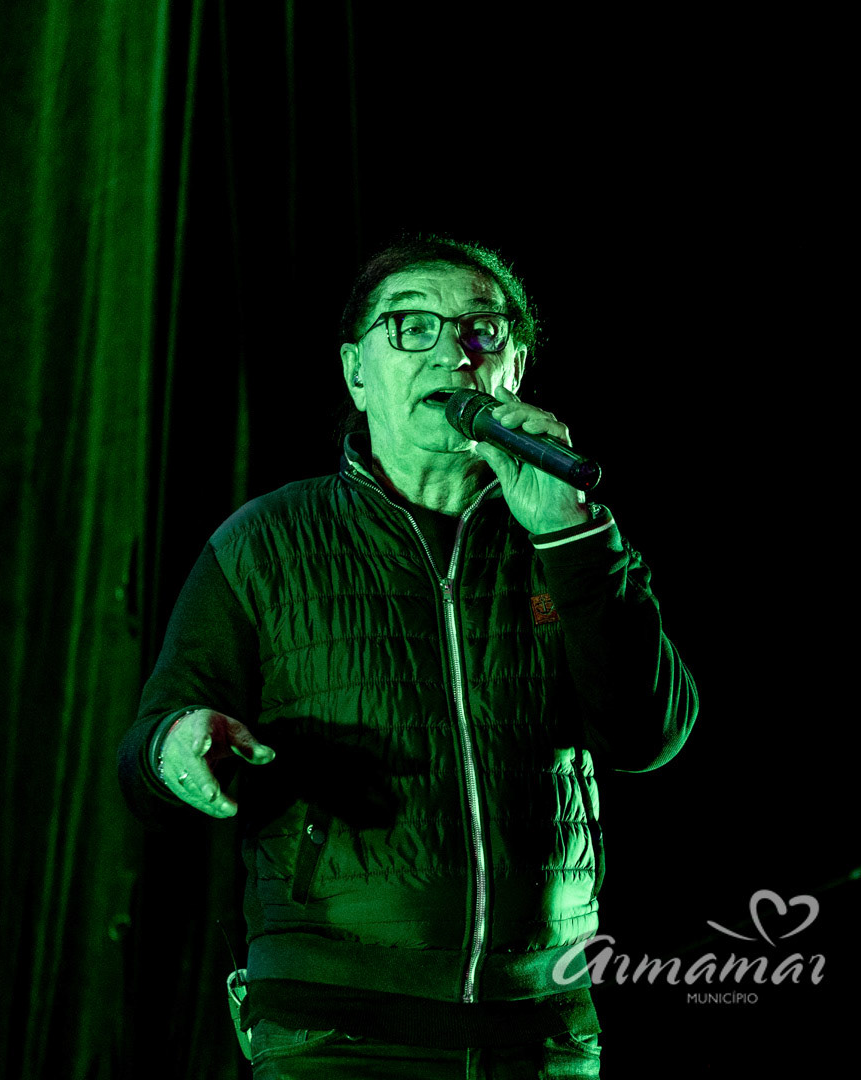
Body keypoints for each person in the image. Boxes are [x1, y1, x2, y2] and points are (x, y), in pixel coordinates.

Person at [117, 234, 697, 1077]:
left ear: (515, 366)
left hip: (540, 1030)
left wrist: (570, 538)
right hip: (334, 1030)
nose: (453, 353)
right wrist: (175, 747)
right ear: (357, 372)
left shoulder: (571, 536)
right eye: (412, 327)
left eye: (481, 331)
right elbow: (143, 759)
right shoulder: (265, 543)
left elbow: (648, 737)